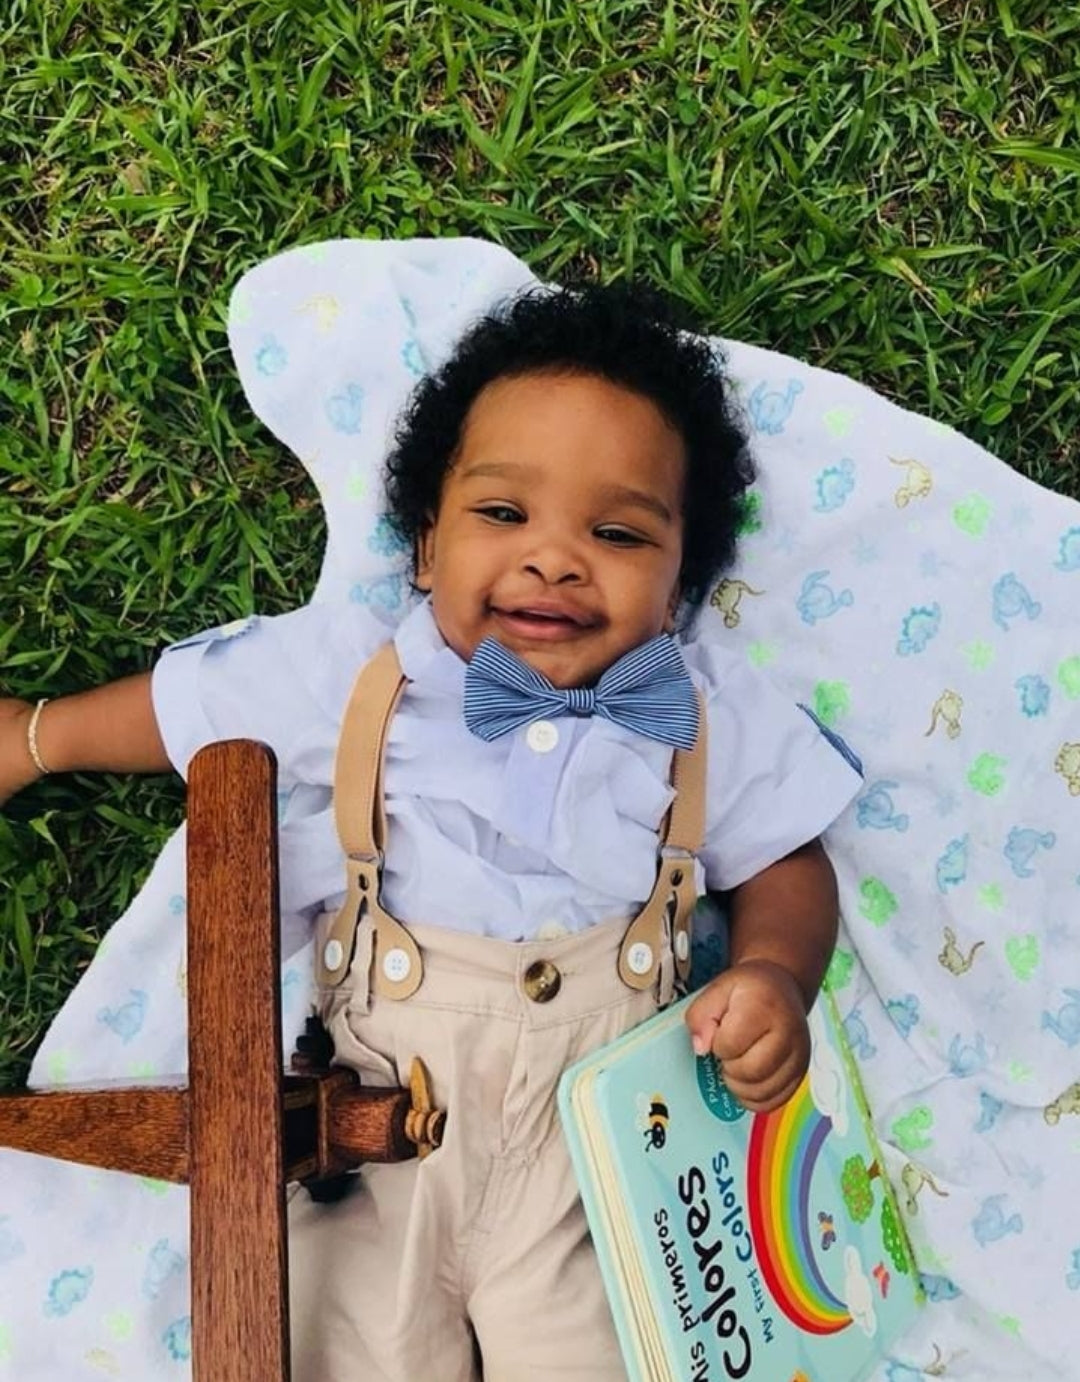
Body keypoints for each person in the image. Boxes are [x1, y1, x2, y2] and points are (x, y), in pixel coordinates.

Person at [0, 282, 862, 1381]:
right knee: (329, 1345)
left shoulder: (701, 711)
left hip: (596, 1169)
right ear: (424, 545)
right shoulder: (363, 674)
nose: (554, 558)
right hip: (376, 1139)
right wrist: (37, 736)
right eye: (504, 515)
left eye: (615, 531)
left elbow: (788, 860)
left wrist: (777, 972)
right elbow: (195, 711)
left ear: (679, 582)